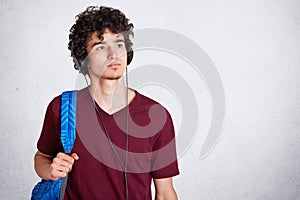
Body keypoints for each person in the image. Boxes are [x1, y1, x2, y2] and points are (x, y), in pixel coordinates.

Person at [34, 6, 179, 200]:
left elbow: (165, 193)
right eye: (100, 46)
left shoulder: (157, 116)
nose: (113, 54)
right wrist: (51, 170)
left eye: (119, 44)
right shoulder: (62, 108)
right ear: (83, 59)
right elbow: (41, 158)